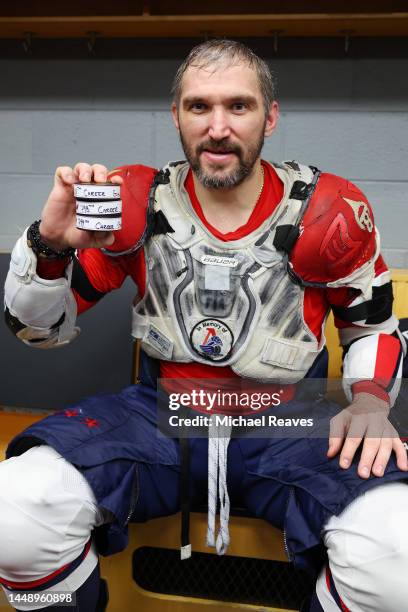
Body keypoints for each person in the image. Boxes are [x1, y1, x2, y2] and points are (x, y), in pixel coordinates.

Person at [1, 39, 408, 612]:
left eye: (238, 106)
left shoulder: (328, 211)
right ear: (177, 116)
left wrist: (368, 404)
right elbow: (35, 329)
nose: (218, 127)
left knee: (397, 559)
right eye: (198, 107)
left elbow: (373, 328)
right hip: (163, 412)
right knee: (12, 514)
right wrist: (49, 244)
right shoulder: (133, 201)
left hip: (288, 416)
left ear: (270, 115)